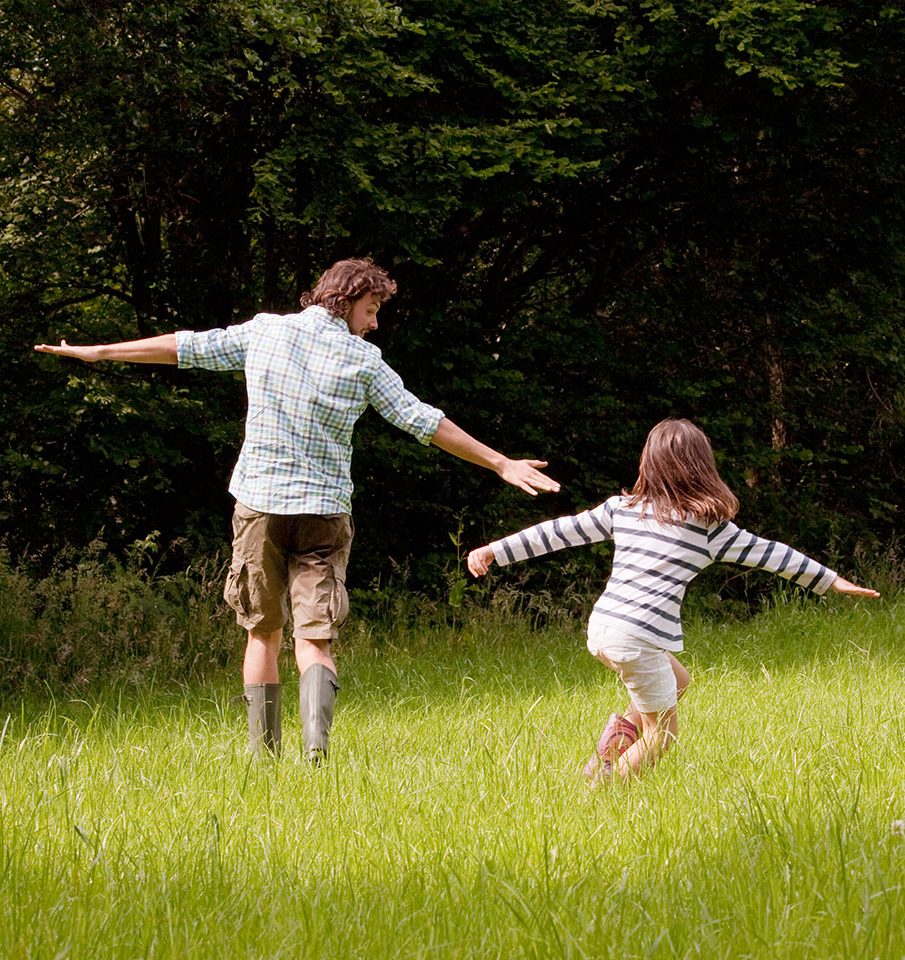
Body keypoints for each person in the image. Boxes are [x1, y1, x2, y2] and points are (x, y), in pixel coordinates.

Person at [37, 258, 559, 762]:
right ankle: (315, 753)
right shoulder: (364, 362)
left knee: (261, 633)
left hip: (260, 507)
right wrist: (499, 462)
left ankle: (264, 759)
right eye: (372, 309)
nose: (375, 324)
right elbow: (424, 422)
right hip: (324, 516)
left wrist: (101, 352)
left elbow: (185, 348)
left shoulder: (266, 331)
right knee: (314, 640)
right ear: (347, 299)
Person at [465, 418, 878, 782]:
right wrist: (831, 581)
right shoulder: (710, 529)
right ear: (702, 467)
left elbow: (557, 532)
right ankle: (602, 790)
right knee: (661, 733)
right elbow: (773, 555)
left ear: (649, 464)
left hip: (604, 627)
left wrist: (494, 550)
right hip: (637, 637)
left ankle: (606, 755)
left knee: (679, 681)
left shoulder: (623, 509)